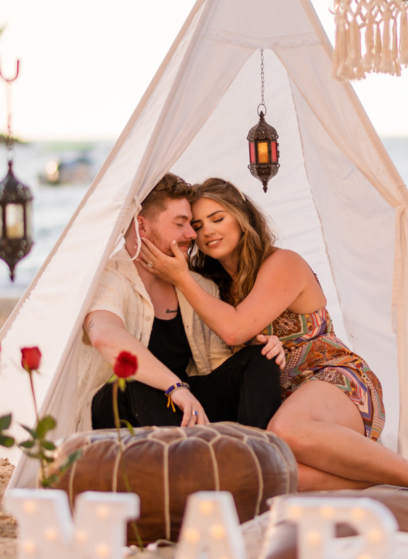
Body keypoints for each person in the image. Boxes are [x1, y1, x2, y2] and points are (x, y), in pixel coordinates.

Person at [138, 178, 408, 493]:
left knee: (286, 431)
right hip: (283, 400)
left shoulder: (282, 263)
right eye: (197, 226)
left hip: (336, 380)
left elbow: (235, 327)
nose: (208, 231)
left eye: (218, 218)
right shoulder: (213, 288)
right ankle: (406, 473)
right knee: (277, 475)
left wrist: (181, 277)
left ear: (242, 219)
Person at [81, 173, 285, 433]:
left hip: (182, 411)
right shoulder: (109, 277)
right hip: (123, 411)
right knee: (132, 383)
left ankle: (251, 457)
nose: (192, 234)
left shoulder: (199, 285)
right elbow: (105, 336)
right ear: (141, 227)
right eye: (181, 224)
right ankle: (203, 463)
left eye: (192, 225)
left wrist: (258, 348)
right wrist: (174, 386)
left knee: (259, 359)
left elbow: (216, 366)